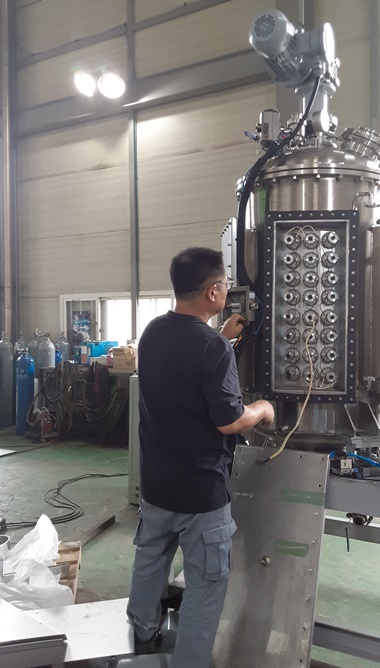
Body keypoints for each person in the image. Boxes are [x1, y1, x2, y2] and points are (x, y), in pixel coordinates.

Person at [127, 246, 275, 667]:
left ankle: (142, 633)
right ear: (212, 292)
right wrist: (262, 408)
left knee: (150, 561)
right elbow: (230, 421)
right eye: (225, 285)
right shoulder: (212, 348)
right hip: (200, 495)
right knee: (206, 585)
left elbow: (184, 363)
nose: (227, 291)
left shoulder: (152, 332)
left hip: (156, 485)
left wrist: (222, 337)